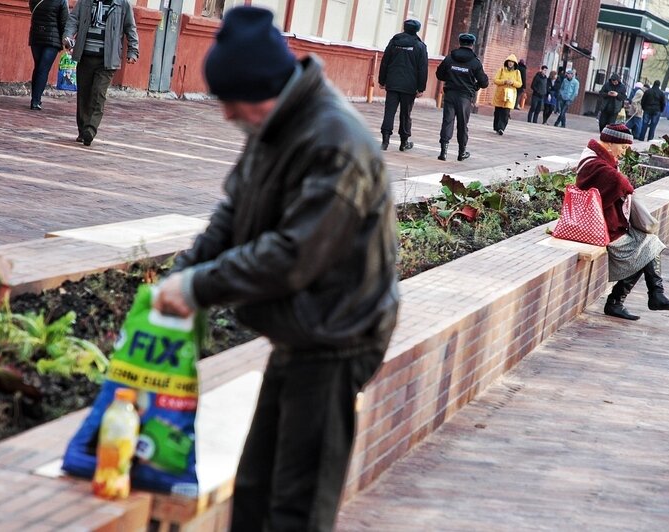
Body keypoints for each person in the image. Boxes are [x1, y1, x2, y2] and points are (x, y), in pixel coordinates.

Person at [153, 7, 399, 531]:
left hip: (339, 337)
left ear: (260, 90)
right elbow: (232, 213)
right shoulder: (276, 124)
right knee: (255, 490)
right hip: (302, 330)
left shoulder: (335, 143)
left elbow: (292, 256)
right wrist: (183, 270)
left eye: (230, 102)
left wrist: (198, 286)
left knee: (297, 505)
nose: (226, 115)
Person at [576, 123, 669, 321]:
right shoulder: (595, 163)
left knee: (649, 244)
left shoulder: (596, 158)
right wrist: (625, 183)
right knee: (646, 249)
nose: (624, 153)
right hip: (598, 227)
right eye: (623, 148)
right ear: (610, 143)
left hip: (605, 222)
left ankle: (652, 295)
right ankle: (624, 300)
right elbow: (620, 183)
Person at [62, 0, 139, 146]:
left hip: (107, 60)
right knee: (84, 95)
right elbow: (73, 19)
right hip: (85, 56)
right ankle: (83, 130)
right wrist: (68, 36)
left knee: (98, 94)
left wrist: (133, 51)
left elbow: (130, 28)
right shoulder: (85, 2)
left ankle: (90, 130)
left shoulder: (122, 5)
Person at [435, 32, 489, 162]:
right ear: (472, 45)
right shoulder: (475, 62)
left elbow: (440, 75)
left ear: (460, 43)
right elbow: (484, 82)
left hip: (450, 93)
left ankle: (444, 151)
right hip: (465, 97)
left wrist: (451, 77)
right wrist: (475, 86)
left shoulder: (449, 58)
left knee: (447, 121)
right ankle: (461, 152)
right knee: (462, 124)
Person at [378, 18, 428, 152]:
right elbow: (422, 69)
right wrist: (421, 88)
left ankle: (385, 141)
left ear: (404, 28)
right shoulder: (420, 46)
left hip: (393, 84)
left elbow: (385, 62)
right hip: (409, 86)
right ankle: (404, 142)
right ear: (417, 30)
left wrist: (382, 81)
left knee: (389, 112)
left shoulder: (394, 42)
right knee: (406, 114)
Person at [28, 0, 68, 110]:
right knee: (43, 68)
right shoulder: (62, 1)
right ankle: (35, 101)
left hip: (36, 36)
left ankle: (35, 99)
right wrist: (66, 40)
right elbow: (64, 22)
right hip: (53, 39)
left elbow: (33, 10)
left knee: (39, 67)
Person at [491, 53, 522, 135]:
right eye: (509, 62)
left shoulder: (517, 72)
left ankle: (501, 128)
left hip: (510, 95)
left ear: (514, 63)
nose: (510, 63)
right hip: (500, 94)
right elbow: (495, 80)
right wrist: (504, 81)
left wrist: (513, 83)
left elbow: (519, 84)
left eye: (512, 62)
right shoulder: (501, 70)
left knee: (505, 113)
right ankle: (496, 126)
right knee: (498, 111)